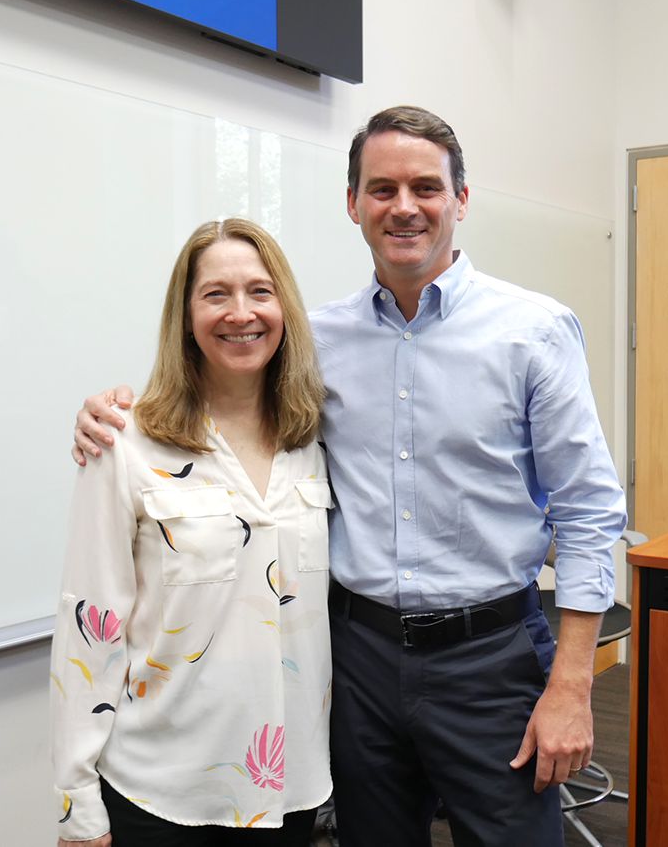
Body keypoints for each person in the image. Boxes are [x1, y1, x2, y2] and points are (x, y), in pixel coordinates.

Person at [72, 107, 627, 847]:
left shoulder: (533, 331)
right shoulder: (314, 343)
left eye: (426, 187)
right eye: (382, 187)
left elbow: (589, 512)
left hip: (490, 658)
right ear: (353, 203)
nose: (404, 207)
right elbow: (218, 396)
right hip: (357, 662)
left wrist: (572, 686)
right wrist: (115, 409)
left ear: (461, 200)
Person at [52, 218, 333, 847]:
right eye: (215, 294)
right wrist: (77, 800)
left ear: (284, 307)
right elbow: (88, 624)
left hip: (291, 787)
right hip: (164, 793)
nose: (241, 313)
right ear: (184, 315)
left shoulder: (314, 438)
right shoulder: (122, 442)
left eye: (260, 292)